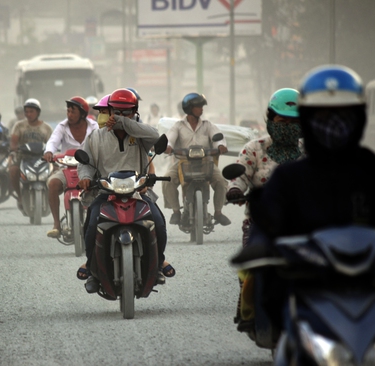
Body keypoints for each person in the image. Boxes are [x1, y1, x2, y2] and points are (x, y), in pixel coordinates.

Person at [239, 65, 375, 332]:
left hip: (367, 286)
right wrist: (259, 249)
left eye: (344, 114)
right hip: (306, 282)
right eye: (321, 115)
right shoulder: (287, 177)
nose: (333, 124)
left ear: (360, 117)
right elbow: (266, 225)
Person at [77, 88, 174, 293]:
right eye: (116, 112)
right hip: (106, 193)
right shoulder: (95, 137)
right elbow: (85, 162)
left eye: (126, 112)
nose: (120, 116)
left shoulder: (140, 134)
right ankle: (93, 268)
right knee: (92, 224)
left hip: (138, 192)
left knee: (158, 222)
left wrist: (124, 123)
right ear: (109, 111)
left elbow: (155, 136)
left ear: (135, 112)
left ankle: (158, 264)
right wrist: (85, 177)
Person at [225, 88, 303, 328]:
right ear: (270, 119)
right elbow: (239, 175)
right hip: (262, 224)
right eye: (282, 120)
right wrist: (235, 190)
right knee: (249, 269)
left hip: (305, 223)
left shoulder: (312, 150)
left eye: (293, 121)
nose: (287, 126)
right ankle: (248, 310)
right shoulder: (254, 149)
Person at [162, 93, 231, 226]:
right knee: (167, 179)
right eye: (198, 106)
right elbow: (169, 138)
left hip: (206, 163)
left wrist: (221, 145)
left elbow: (217, 136)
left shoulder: (207, 125)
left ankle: (218, 212)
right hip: (183, 162)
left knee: (221, 181)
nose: (202, 109)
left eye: (201, 106)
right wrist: (168, 147)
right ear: (189, 108)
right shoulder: (178, 126)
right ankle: (176, 211)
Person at [43, 96, 98, 238]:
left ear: (82, 113)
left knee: (103, 186)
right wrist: (49, 152)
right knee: (53, 184)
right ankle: (56, 224)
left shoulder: (93, 126)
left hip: (89, 167)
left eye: (73, 112)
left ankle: (101, 222)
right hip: (66, 168)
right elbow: (53, 141)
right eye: (68, 111)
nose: (69, 115)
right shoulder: (62, 126)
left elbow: (100, 142)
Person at [9, 98, 53, 208]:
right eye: (26, 112)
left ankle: (52, 196)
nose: (29, 114)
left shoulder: (46, 128)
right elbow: (13, 141)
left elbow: (51, 144)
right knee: (13, 170)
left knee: (56, 171)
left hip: (42, 158)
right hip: (23, 157)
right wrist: (14, 148)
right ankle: (19, 196)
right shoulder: (19, 126)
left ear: (38, 112)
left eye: (31, 111)